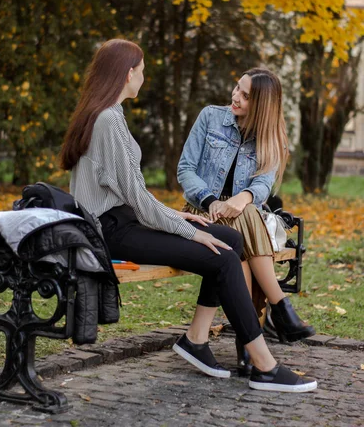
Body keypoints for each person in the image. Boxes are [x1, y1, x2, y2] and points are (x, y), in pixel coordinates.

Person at [60, 39, 317, 393]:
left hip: (122, 221)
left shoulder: (107, 115)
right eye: (143, 70)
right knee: (223, 256)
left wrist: (189, 222)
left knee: (230, 238)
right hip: (110, 230)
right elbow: (137, 199)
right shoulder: (108, 121)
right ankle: (263, 363)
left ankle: (197, 340)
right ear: (128, 73)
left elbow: (136, 198)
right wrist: (188, 229)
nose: (144, 77)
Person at [177, 68, 315, 375]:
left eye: (245, 95)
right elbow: (185, 170)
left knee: (244, 220)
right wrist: (213, 201)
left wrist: (244, 198)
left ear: (263, 105)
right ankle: (277, 314)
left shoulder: (271, 136)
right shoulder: (210, 118)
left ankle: (250, 334)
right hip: (202, 212)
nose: (235, 97)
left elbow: (264, 185)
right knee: (243, 222)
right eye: (236, 89)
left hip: (242, 220)